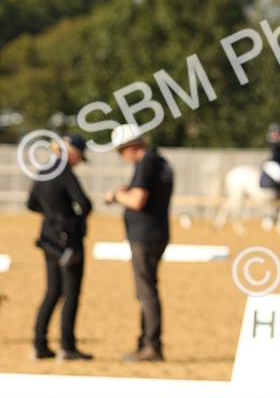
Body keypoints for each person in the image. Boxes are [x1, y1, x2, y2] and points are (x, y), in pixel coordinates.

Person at [104, 125, 173, 362]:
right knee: (147, 289)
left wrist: (115, 195)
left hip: (145, 236)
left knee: (146, 291)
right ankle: (147, 342)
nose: (122, 157)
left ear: (130, 147)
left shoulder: (146, 163)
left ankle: (151, 345)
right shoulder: (160, 161)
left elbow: (138, 200)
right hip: (156, 233)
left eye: (121, 152)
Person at [28, 132, 93, 360]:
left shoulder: (43, 170)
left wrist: (51, 215)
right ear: (72, 153)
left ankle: (39, 344)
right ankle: (67, 346)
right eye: (79, 157)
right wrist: (69, 215)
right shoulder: (64, 172)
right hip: (68, 241)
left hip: (48, 238)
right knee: (71, 293)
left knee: (52, 291)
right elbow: (84, 204)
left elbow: (31, 203)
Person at [260, 123, 280, 199]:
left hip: (279, 163)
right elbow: (276, 154)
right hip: (273, 163)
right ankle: (277, 194)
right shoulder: (273, 142)